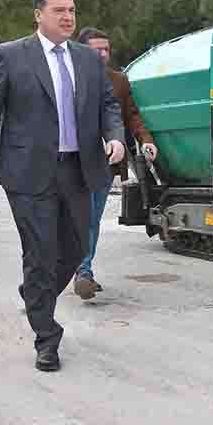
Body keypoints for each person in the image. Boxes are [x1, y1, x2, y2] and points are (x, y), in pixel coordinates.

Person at [0, 0, 125, 373]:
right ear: (39, 15)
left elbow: (107, 104)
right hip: (29, 172)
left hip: (79, 169)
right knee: (40, 253)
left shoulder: (88, 59)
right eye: (59, 11)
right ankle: (47, 337)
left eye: (72, 10)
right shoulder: (10, 56)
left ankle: (36, 293)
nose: (68, 17)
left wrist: (115, 137)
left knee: (75, 248)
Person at [72, 27, 159, 301]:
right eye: (96, 49)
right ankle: (64, 267)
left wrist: (145, 140)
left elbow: (132, 116)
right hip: (69, 161)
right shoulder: (66, 77)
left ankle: (83, 271)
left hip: (105, 163)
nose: (102, 54)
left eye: (106, 49)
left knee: (92, 220)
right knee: (69, 218)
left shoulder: (119, 81)